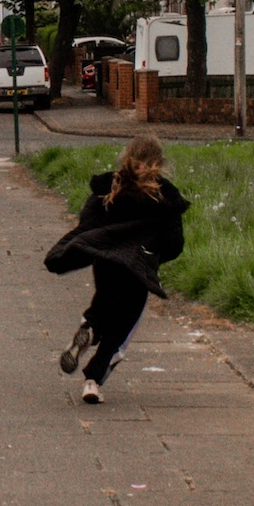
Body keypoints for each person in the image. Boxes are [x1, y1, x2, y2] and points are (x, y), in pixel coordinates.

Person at [42, 131, 186, 405]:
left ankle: (90, 328)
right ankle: (92, 381)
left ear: (128, 156)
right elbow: (174, 243)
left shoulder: (112, 185)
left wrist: (89, 246)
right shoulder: (164, 196)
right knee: (123, 326)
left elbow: (89, 221)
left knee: (105, 303)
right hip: (136, 267)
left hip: (106, 261)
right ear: (158, 160)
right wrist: (154, 257)